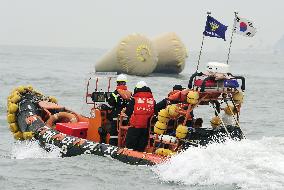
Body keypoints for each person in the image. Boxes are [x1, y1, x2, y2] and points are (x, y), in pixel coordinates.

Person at [124, 81, 155, 152]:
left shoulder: (134, 99)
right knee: (141, 148)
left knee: (130, 147)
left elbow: (128, 112)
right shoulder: (152, 100)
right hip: (146, 129)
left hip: (135, 127)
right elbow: (155, 112)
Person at [107, 74, 131, 145]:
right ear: (125, 83)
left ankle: (112, 147)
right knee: (124, 133)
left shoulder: (114, 94)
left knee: (114, 134)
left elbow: (110, 105)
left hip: (116, 118)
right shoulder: (130, 94)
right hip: (126, 118)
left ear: (117, 83)